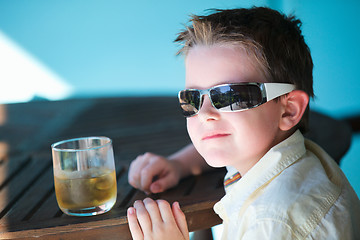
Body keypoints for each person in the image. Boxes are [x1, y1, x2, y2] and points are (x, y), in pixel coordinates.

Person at [126, 6, 360, 240]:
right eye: (192, 99)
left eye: (230, 96)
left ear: (289, 110)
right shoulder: (275, 155)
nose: (205, 114)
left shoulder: (272, 223)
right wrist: (180, 164)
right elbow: (227, 134)